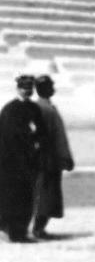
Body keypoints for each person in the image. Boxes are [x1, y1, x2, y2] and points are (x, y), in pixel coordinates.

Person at [0, 76, 45, 242]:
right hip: (11, 163)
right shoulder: (9, 110)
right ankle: (14, 232)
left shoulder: (34, 108)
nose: (27, 91)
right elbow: (7, 136)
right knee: (12, 197)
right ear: (18, 88)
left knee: (27, 197)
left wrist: (37, 143)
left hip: (29, 161)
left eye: (30, 88)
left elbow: (42, 132)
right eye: (24, 88)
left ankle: (20, 230)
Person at [32, 76, 74, 239]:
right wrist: (66, 157)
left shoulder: (37, 107)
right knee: (47, 195)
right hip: (49, 160)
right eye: (51, 86)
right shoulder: (47, 109)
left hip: (39, 159)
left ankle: (36, 227)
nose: (54, 88)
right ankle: (38, 229)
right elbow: (58, 137)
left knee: (40, 193)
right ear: (46, 89)